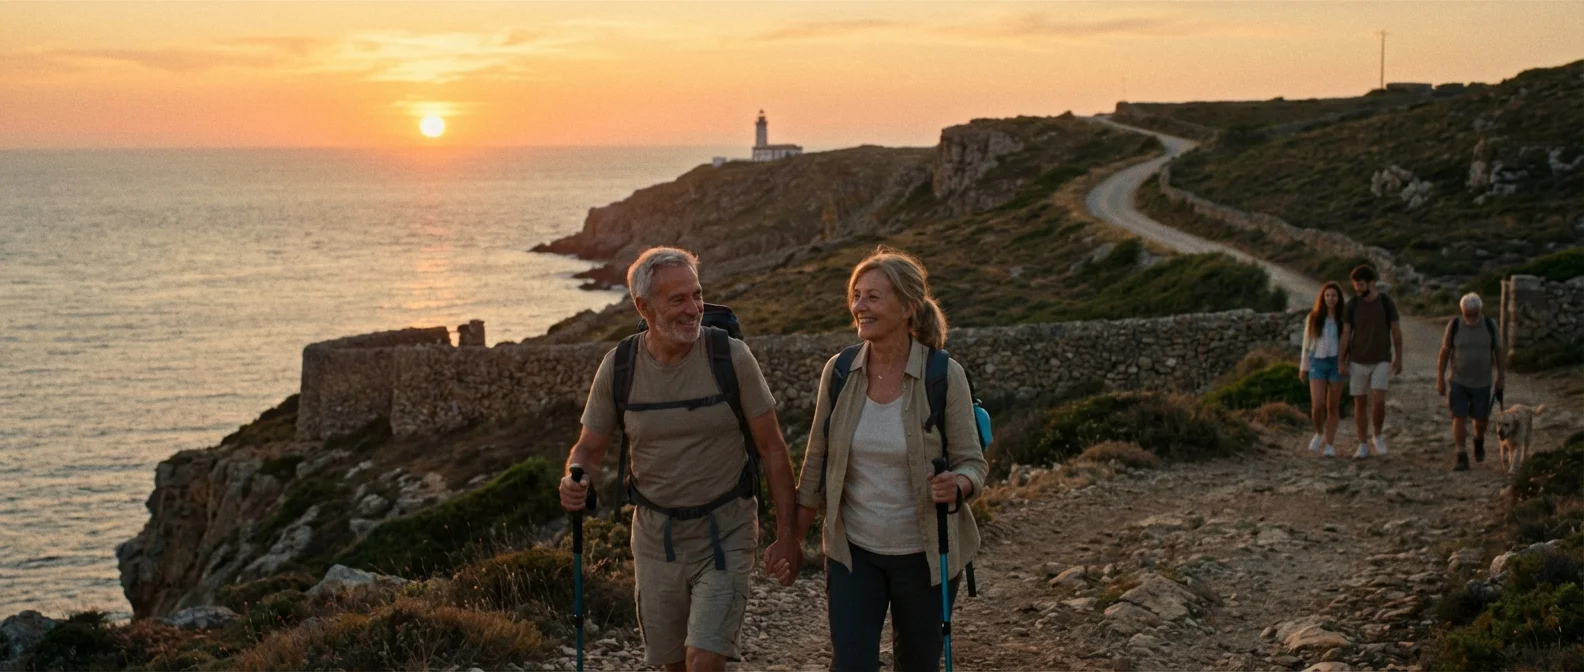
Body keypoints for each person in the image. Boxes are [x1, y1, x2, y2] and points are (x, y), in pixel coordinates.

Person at [558, 247, 802, 672]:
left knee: (703, 659)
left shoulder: (731, 357)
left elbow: (773, 449)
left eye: (697, 295)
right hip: (655, 539)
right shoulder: (620, 366)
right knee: (672, 664)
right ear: (643, 306)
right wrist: (575, 478)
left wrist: (787, 536)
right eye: (678, 300)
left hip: (726, 531)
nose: (694, 310)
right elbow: (588, 449)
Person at [788, 247, 988, 672]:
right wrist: (792, 539)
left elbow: (974, 462)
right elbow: (815, 462)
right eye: (857, 295)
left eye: (873, 297)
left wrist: (960, 483)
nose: (860, 306)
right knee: (851, 665)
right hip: (852, 552)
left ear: (908, 306)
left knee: (916, 663)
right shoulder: (840, 371)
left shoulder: (942, 374)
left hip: (925, 555)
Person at [1436, 292, 1507, 471]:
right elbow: (1444, 352)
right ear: (1463, 312)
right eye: (1469, 313)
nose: (1472, 317)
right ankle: (1461, 454)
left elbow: (1498, 351)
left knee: (1481, 419)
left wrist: (1501, 377)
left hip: (1482, 382)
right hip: (1458, 380)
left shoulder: (1490, 326)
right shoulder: (1455, 326)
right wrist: (1440, 379)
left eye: (1475, 313)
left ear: (1480, 311)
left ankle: (1478, 438)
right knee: (1458, 416)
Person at [1339, 265, 1403, 460]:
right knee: (1359, 403)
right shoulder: (1352, 305)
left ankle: (1377, 435)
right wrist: (1341, 360)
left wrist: (1399, 357)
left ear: (1372, 283)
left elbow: (1396, 330)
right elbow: (1346, 333)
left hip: (1381, 358)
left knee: (1378, 400)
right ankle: (1362, 444)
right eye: (1355, 285)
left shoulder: (1385, 302)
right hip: (1358, 360)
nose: (1357, 288)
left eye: (1360, 284)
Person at [1299, 281, 1346, 457]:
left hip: (1336, 363)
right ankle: (1318, 432)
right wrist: (1303, 367)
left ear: (1338, 298)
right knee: (1317, 405)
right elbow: (1306, 344)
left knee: (1332, 407)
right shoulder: (1314, 317)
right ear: (1323, 297)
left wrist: (1346, 362)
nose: (1330, 299)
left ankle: (1330, 444)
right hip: (1317, 362)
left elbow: (1349, 342)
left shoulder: (1343, 319)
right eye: (1327, 295)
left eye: (1334, 295)